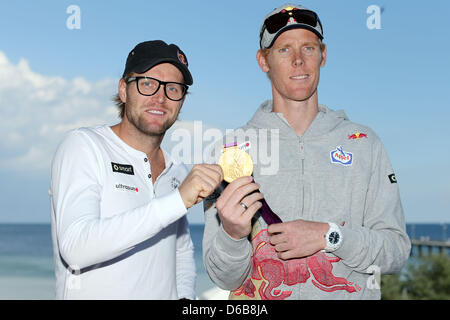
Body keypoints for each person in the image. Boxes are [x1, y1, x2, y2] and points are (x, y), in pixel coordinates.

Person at [203, 4, 411, 299]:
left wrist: (329, 236)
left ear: (323, 56)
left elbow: (396, 251)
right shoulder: (227, 152)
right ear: (264, 60)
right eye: (284, 50)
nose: (298, 60)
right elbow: (223, 277)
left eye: (308, 48)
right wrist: (232, 235)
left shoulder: (365, 142)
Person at [49, 40, 223, 299]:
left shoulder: (177, 170)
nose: (160, 97)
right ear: (123, 90)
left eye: (173, 88)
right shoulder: (84, 146)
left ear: (182, 101)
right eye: (148, 83)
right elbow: (75, 248)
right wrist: (177, 200)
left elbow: (180, 253)